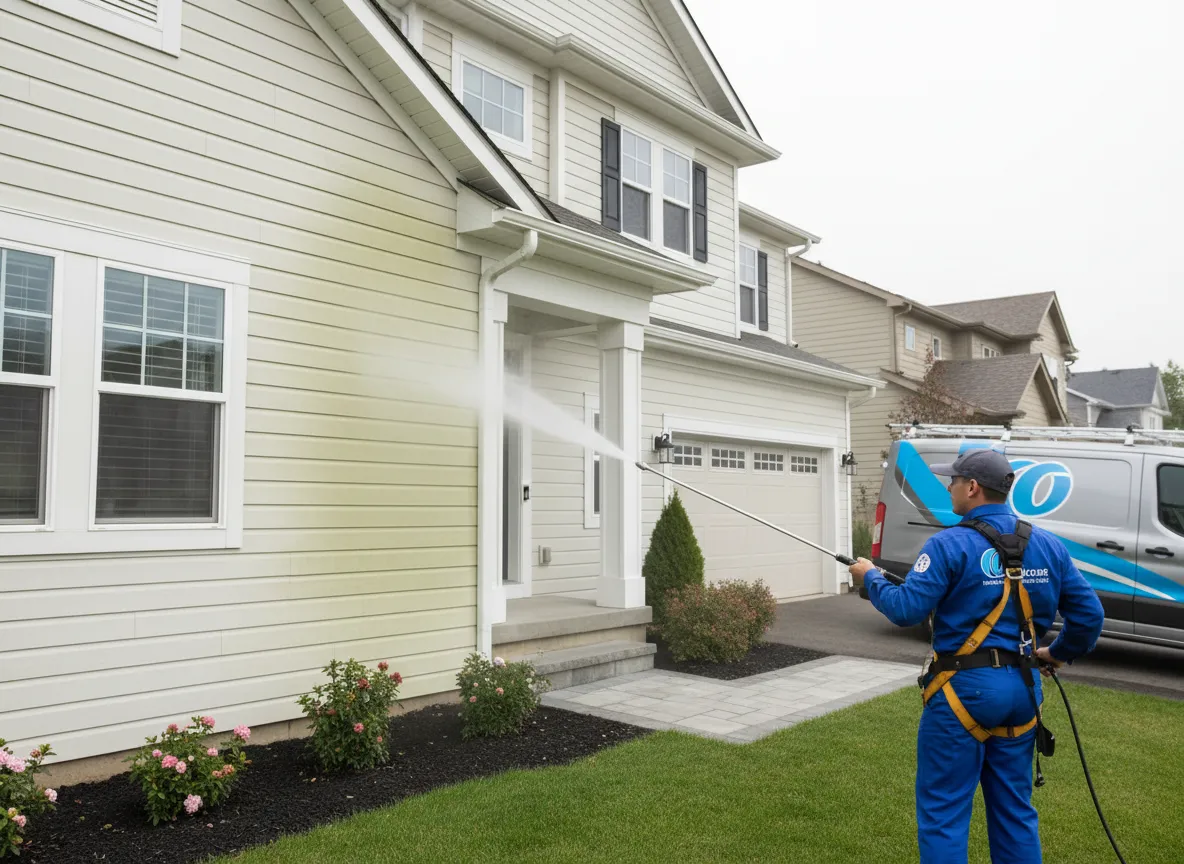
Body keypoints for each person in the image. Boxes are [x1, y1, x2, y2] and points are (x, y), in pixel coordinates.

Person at [848, 448, 1104, 864]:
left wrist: (870, 577)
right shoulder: (1048, 545)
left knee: (944, 813)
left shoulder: (948, 544)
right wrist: (1056, 653)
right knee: (1015, 813)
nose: (948, 487)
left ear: (972, 488)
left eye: (953, 481)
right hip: (1022, 692)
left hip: (961, 694)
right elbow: (1089, 616)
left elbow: (906, 609)